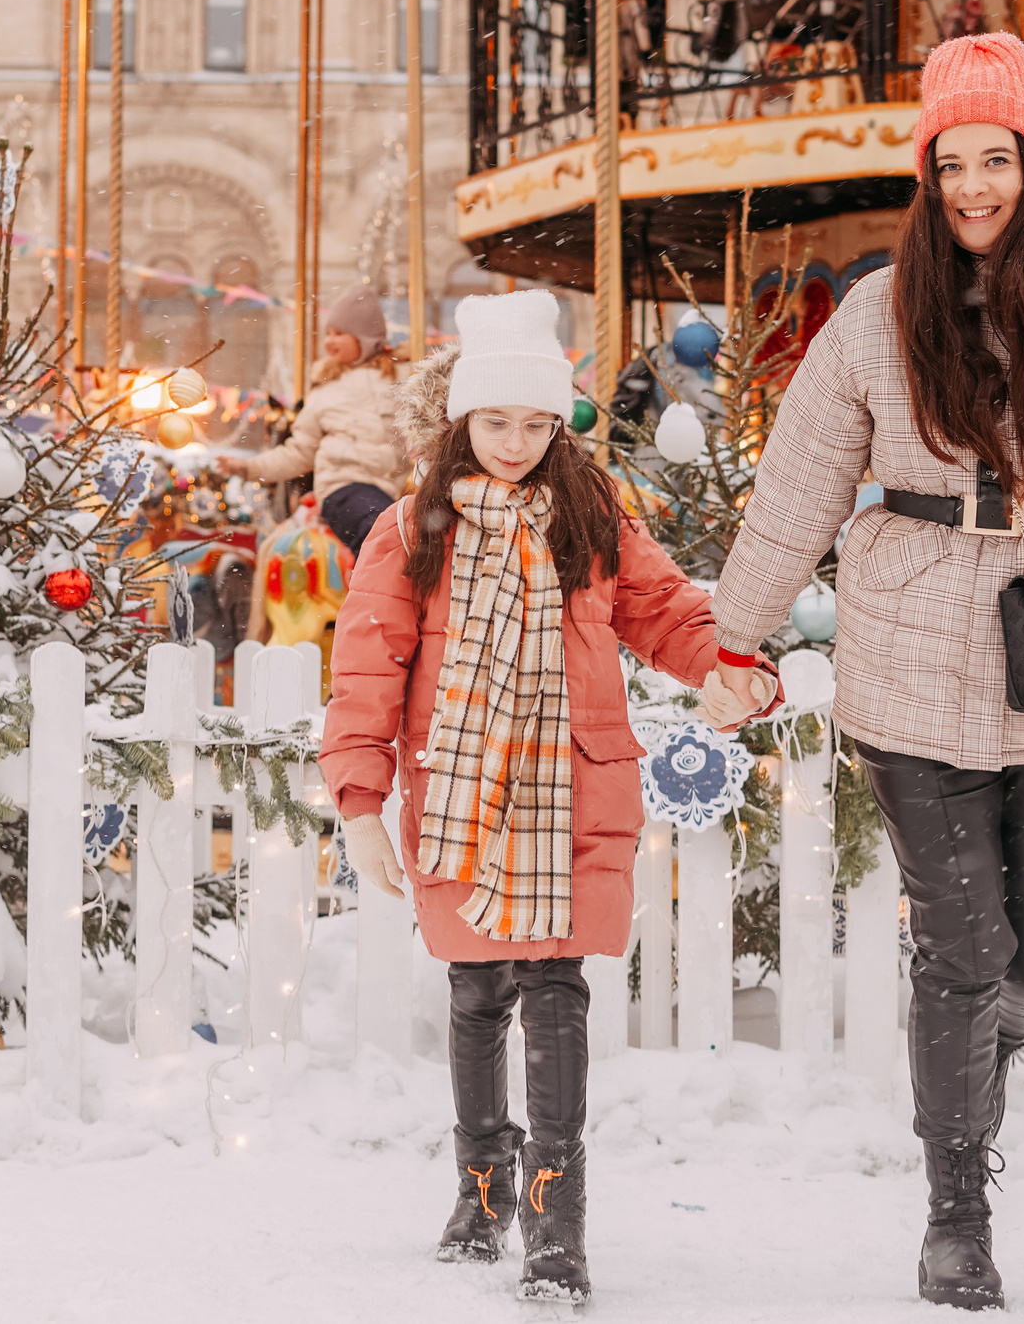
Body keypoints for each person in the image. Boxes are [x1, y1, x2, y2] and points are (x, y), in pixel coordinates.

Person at [698, 32, 1024, 1310]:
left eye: (996, 160)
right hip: (911, 641)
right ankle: (956, 1209)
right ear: (927, 179)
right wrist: (733, 635)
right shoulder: (879, 314)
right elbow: (795, 494)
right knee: (959, 946)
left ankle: (973, 1068)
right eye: (951, 167)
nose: (974, 189)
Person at [319, 290, 754, 1305]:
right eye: (494, 420)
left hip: (570, 785)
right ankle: (481, 1191)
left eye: (533, 421)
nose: (513, 441)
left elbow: (661, 610)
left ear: (559, 423)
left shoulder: (593, 516)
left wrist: (724, 663)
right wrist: (357, 799)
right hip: (466, 788)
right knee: (476, 993)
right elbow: (368, 668)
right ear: (461, 419)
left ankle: (557, 1228)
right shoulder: (407, 529)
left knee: (556, 994)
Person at [220, 285, 404, 556]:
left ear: (365, 338)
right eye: (328, 333)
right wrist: (249, 468)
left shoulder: (402, 379)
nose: (330, 340)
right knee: (379, 531)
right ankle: (375, 596)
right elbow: (299, 452)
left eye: (339, 334)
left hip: (398, 488)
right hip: (344, 487)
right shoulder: (325, 390)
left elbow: (425, 431)